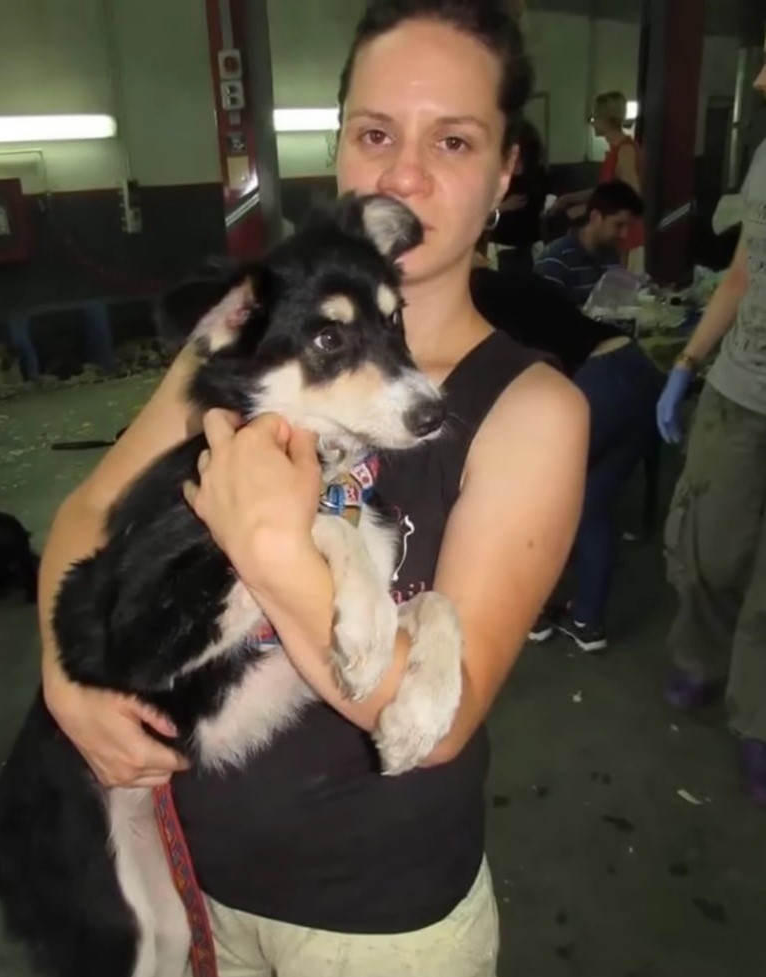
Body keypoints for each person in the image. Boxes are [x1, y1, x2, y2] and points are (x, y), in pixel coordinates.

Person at [37, 2, 589, 974]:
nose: (405, 174)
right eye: (376, 133)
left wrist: (276, 546)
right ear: (339, 148)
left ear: (507, 173)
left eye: (453, 140)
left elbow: (436, 720)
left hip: (375, 922)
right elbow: (87, 512)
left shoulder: (533, 409)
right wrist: (62, 679)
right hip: (185, 875)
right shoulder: (248, 341)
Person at [655, 38, 766, 808]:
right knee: (704, 551)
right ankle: (698, 653)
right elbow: (740, 271)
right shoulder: (764, 158)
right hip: (738, 394)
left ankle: (756, 720)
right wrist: (687, 363)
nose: (758, 79)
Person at [472, 267, 663, 651]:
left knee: (530, 502)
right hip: (638, 370)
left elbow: (510, 369)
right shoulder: (512, 280)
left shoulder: (474, 298)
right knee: (591, 504)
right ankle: (586, 622)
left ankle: (534, 613)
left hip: (595, 384)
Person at [552, 92, 645, 271]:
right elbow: (607, 191)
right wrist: (569, 198)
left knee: (624, 292)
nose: (593, 121)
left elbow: (632, 193)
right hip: (617, 233)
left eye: (595, 117)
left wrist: (588, 208)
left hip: (627, 235)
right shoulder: (615, 151)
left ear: (605, 119)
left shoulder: (625, 150)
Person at [534, 180, 644, 308]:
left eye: (628, 227)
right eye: (618, 225)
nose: (624, 234)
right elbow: (542, 316)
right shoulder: (556, 259)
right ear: (595, 217)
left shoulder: (611, 256)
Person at [488, 118, 549, 274]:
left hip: (530, 245)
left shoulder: (537, 172)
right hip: (500, 246)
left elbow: (540, 205)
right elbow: (480, 216)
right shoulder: (496, 173)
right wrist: (503, 208)